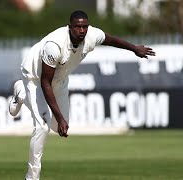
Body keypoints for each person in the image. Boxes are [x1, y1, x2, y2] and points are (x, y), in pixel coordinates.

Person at [9, 10, 155, 180]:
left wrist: (134, 49)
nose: (82, 30)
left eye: (84, 26)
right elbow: (45, 83)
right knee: (42, 126)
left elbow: (112, 40)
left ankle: (20, 92)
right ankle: (32, 176)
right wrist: (59, 116)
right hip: (35, 78)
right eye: (78, 27)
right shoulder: (54, 46)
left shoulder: (92, 35)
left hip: (60, 79)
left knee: (58, 129)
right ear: (70, 27)